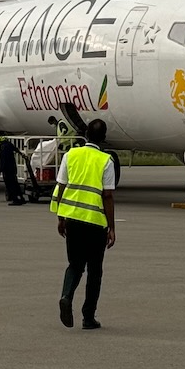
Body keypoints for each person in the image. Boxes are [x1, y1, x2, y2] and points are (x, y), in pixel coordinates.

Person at [50, 118, 116, 330]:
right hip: (95, 223)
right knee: (95, 271)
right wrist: (112, 227)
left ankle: (66, 296)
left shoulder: (70, 155)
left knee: (75, 265)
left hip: (73, 220)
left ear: (85, 134)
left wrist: (60, 217)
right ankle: (88, 317)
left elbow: (61, 186)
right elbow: (107, 196)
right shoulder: (106, 160)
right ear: (103, 138)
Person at [0, 134, 25, 205]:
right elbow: (17, 150)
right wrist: (22, 155)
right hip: (13, 168)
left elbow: (2, 160)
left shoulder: (2, 147)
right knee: (15, 183)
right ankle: (21, 198)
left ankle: (15, 199)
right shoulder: (10, 145)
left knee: (9, 185)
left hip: (7, 169)